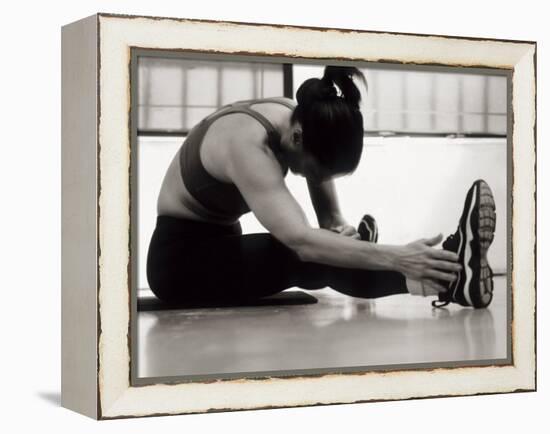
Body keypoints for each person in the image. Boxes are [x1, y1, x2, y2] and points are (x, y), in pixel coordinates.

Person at [146, 66, 496, 309]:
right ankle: (448, 279)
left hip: (221, 243)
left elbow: (328, 219)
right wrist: (397, 256)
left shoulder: (303, 121)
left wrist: (341, 234)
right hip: (179, 264)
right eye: (315, 171)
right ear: (297, 139)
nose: (312, 177)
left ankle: (444, 272)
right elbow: (301, 241)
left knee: (327, 247)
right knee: (300, 255)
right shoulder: (246, 143)